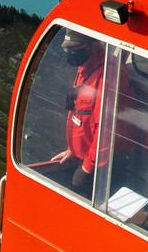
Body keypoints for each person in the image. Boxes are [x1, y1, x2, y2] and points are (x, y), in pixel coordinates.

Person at [40, 31, 105, 193]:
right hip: (83, 155)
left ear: (92, 46)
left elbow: (106, 132)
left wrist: (87, 168)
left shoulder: (105, 78)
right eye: (67, 49)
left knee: (77, 185)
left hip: (100, 163)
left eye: (75, 48)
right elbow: (81, 114)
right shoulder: (86, 68)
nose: (71, 54)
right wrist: (72, 150)